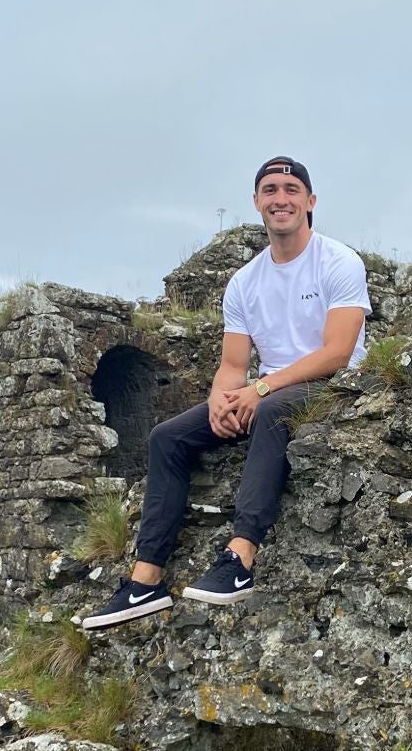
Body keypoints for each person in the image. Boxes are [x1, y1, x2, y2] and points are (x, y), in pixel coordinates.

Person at [81, 156, 371, 629]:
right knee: (166, 438)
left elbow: (337, 353)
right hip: (270, 386)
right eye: (271, 190)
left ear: (310, 202)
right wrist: (221, 398)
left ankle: (240, 559)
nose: (282, 198)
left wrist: (260, 388)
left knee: (274, 410)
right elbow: (232, 365)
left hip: (334, 388)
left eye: (292, 189)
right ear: (257, 203)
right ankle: (145, 582)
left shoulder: (338, 262)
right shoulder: (244, 282)